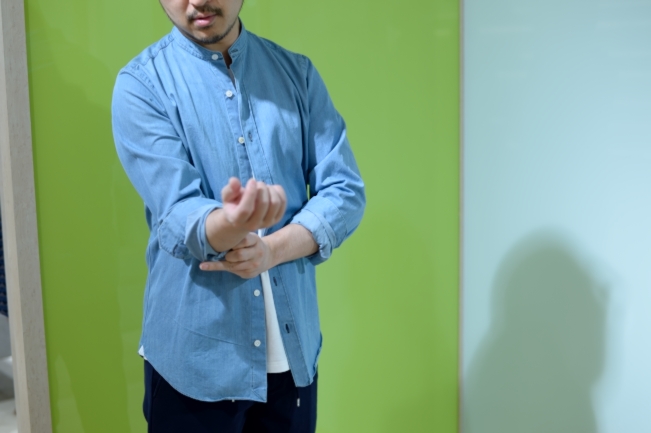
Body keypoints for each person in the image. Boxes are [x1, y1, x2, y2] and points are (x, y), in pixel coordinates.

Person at [111, 0, 365, 431]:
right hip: (193, 366)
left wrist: (271, 250)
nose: (197, 1)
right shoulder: (141, 84)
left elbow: (345, 190)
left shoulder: (297, 73)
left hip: (293, 357)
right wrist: (230, 225)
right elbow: (177, 212)